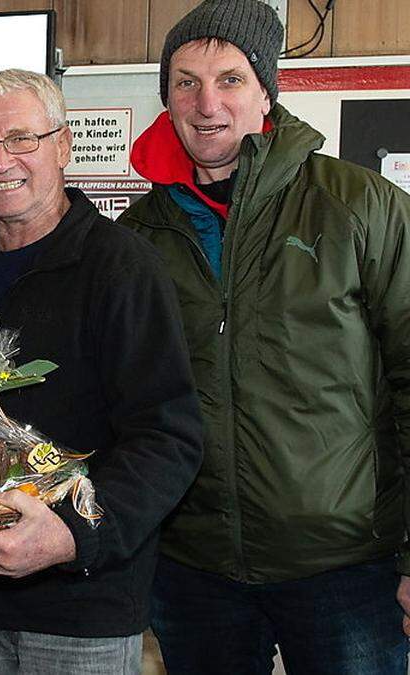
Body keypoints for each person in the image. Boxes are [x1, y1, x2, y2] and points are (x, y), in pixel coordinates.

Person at [117, 1, 410, 673]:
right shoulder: (137, 236)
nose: (206, 101)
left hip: (344, 565)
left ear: (266, 92)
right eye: (185, 81)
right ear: (166, 97)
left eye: (230, 79)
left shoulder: (359, 207)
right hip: (194, 568)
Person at [0, 68, 203, 675]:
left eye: (22, 138)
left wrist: (72, 535)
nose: (2, 160)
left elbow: (170, 437)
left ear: (62, 145)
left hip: (83, 605)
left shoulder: (121, 266)